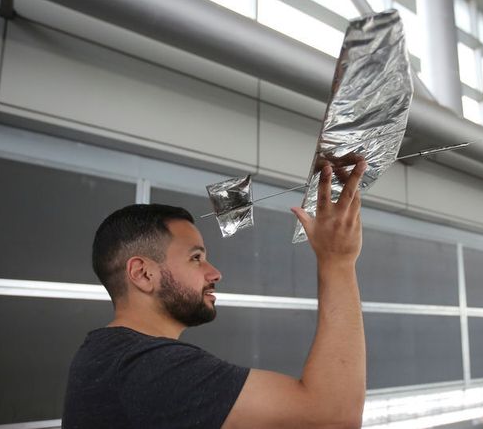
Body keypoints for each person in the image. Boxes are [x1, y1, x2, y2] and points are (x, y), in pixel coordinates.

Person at [62, 159, 368, 428]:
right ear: (143, 273)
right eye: (196, 258)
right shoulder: (147, 367)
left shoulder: (107, 356)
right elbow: (333, 417)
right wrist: (337, 261)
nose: (214, 273)